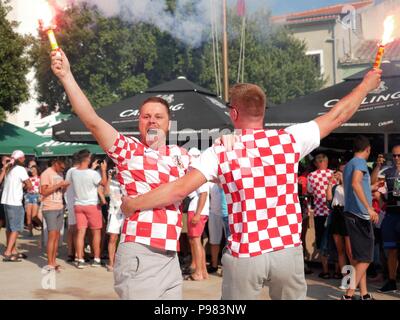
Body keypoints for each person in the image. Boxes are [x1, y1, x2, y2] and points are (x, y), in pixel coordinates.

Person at [121, 70, 382, 300]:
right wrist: (366, 86)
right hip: (287, 251)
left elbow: (179, 189)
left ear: (233, 113)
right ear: (263, 110)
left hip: (245, 253)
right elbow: (338, 115)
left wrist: (135, 203)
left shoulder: (221, 151)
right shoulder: (289, 140)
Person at [51, 50, 193, 299]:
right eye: (146, 116)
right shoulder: (129, 150)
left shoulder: (182, 155)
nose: (152, 121)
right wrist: (67, 76)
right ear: (138, 122)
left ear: (169, 123)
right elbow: (92, 120)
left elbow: (217, 169)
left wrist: (231, 140)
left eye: (158, 117)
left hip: (171, 255)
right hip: (140, 250)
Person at [341, 135, 379, 300]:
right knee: (366, 258)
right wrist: (369, 208)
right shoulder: (360, 162)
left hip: (350, 213)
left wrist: (371, 187)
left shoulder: (349, 164)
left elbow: (356, 185)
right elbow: (356, 183)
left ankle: (364, 294)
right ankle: (349, 295)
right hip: (360, 215)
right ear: (368, 149)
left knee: (359, 257)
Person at [67, 150, 107, 269]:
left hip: (78, 205)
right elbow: (104, 183)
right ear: (87, 159)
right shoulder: (93, 174)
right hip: (91, 205)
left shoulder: (74, 172)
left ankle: (80, 259)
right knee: (96, 232)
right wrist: (103, 170)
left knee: (81, 232)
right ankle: (96, 259)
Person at [372, 146, 400, 293]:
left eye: (399, 156)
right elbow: (373, 184)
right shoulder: (387, 172)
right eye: (394, 156)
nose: (396, 158)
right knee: (391, 250)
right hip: (391, 214)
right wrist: (378, 166)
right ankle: (391, 281)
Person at [307, 152, 335, 279]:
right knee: (335, 241)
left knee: (321, 241)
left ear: (316, 163)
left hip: (319, 212)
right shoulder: (333, 174)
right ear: (326, 162)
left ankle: (325, 270)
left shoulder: (311, 176)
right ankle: (338, 270)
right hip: (333, 212)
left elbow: (310, 191)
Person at [1, 150, 32, 262]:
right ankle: (8, 252)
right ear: (20, 159)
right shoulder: (20, 169)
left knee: (9, 228)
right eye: (23, 157)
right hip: (15, 203)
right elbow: (29, 185)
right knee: (16, 229)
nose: (24, 159)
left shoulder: (9, 169)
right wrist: (25, 185)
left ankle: (13, 250)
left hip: (6, 201)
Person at [40, 157, 70, 270]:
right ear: (56, 163)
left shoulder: (60, 174)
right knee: (52, 236)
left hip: (59, 206)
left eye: (64, 168)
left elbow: (60, 192)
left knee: (57, 236)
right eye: (61, 167)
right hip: (49, 207)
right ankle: (50, 263)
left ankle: (53, 261)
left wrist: (64, 187)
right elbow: (43, 191)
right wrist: (58, 185)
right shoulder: (46, 173)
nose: (62, 169)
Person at [185, 148, 209, 281]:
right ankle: (203, 272)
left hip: (197, 210)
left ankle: (199, 272)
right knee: (197, 241)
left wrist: (197, 214)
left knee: (195, 241)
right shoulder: (200, 171)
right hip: (197, 209)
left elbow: (203, 194)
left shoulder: (198, 172)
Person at [326, 162, 352, 283]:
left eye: (343, 171)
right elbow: (329, 199)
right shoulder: (336, 187)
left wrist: (343, 180)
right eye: (339, 171)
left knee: (349, 251)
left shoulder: (351, 185)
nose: (340, 174)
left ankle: (354, 279)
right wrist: (330, 182)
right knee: (340, 250)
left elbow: (350, 198)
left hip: (346, 216)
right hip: (336, 215)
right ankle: (346, 279)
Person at [105, 167, 124, 272]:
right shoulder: (111, 182)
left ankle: (122, 262)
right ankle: (111, 262)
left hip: (126, 213)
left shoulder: (126, 182)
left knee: (125, 239)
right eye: (115, 170)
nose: (117, 172)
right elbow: (106, 193)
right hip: (114, 212)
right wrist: (109, 177)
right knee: (113, 238)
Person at [207, 182, 228, 274]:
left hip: (228, 213)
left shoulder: (228, 179)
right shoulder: (210, 183)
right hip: (214, 214)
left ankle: (226, 267)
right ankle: (214, 265)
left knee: (229, 242)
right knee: (214, 241)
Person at [64, 153, 79, 262]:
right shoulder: (74, 171)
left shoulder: (70, 171)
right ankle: (76, 253)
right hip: (75, 202)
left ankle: (71, 253)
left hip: (70, 202)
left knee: (72, 229)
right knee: (75, 229)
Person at [25, 165, 41, 237]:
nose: (33, 171)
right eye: (32, 170)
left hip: (36, 196)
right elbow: (25, 187)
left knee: (34, 216)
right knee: (28, 216)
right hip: (28, 196)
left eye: (34, 170)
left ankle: (42, 225)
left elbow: (41, 188)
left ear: (37, 170)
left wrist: (40, 196)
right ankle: (30, 232)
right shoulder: (28, 178)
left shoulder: (40, 178)